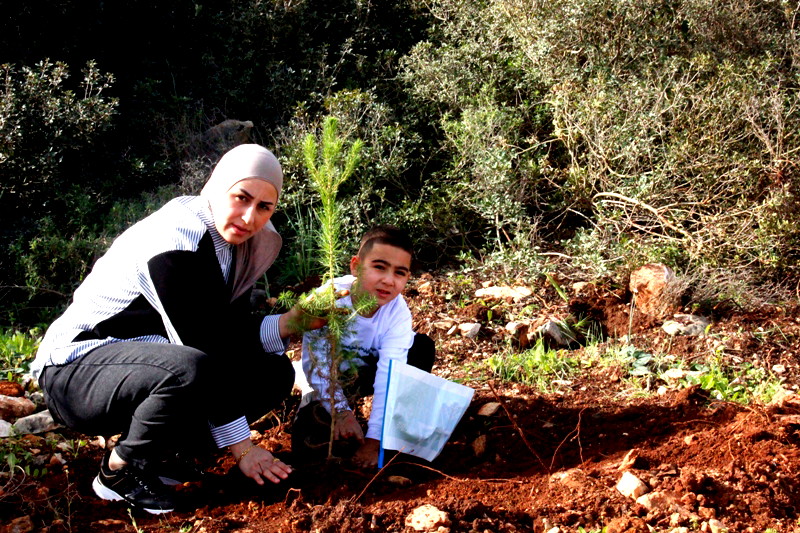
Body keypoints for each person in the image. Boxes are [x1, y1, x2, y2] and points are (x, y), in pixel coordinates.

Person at [30, 144, 318, 514]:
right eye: (241, 198)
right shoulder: (176, 238)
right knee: (190, 367)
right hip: (76, 372)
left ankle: (163, 457)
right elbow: (204, 344)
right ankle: (119, 469)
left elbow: (226, 330)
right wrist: (243, 448)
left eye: (264, 207)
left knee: (272, 372)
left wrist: (291, 322)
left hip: (144, 365)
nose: (250, 217)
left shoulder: (231, 244)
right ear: (217, 186)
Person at [293, 225, 435, 469]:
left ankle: (397, 424)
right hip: (330, 377)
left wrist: (375, 440)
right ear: (356, 266)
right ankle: (306, 392)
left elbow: (390, 375)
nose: (388, 280)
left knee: (421, 348)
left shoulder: (397, 312)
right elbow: (317, 363)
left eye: (399, 273)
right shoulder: (329, 299)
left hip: (368, 371)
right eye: (379, 267)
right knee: (308, 449)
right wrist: (341, 412)